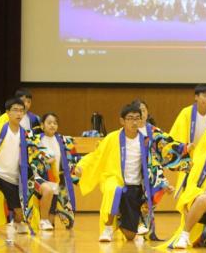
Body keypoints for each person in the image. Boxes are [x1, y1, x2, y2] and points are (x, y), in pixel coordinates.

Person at [76, 103, 172, 242]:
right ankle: (108, 227)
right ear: (122, 121)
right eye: (130, 118)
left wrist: (164, 184)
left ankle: (123, 219)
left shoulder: (146, 141)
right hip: (115, 179)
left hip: (136, 187)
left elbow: (154, 165)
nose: (134, 122)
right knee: (114, 189)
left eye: (137, 118)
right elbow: (97, 155)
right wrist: (82, 167)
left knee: (130, 236)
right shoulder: (112, 138)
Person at [0, 98, 48, 238]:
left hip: (13, 178)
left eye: (21, 111)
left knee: (19, 212)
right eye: (15, 110)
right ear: (8, 113)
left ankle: (17, 222)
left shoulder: (27, 135)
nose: (19, 113)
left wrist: (47, 157)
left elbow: (38, 152)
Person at [134, 99, 190, 237]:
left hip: (150, 170)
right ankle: (132, 226)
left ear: (147, 113)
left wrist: (183, 149)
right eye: (137, 111)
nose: (141, 113)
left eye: (143, 110)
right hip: (131, 169)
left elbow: (168, 147)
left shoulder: (155, 132)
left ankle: (145, 226)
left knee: (151, 191)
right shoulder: (127, 132)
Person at [32, 112, 79, 231]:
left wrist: (77, 167)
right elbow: (31, 157)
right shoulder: (36, 140)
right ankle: (41, 220)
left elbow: (73, 157)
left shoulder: (63, 140)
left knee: (51, 223)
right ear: (42, 125)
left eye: (55, 123)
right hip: (40, 179)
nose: (52, 125)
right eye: (49, 123)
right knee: (43, 207)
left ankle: (46, 222)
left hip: (57, 181)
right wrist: (44, 161)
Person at [168, 84, 206, 149]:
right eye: (204, 96)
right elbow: (179, 135)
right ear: (196, 97)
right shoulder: (186, 112)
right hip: (189, 151)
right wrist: (184, 148)